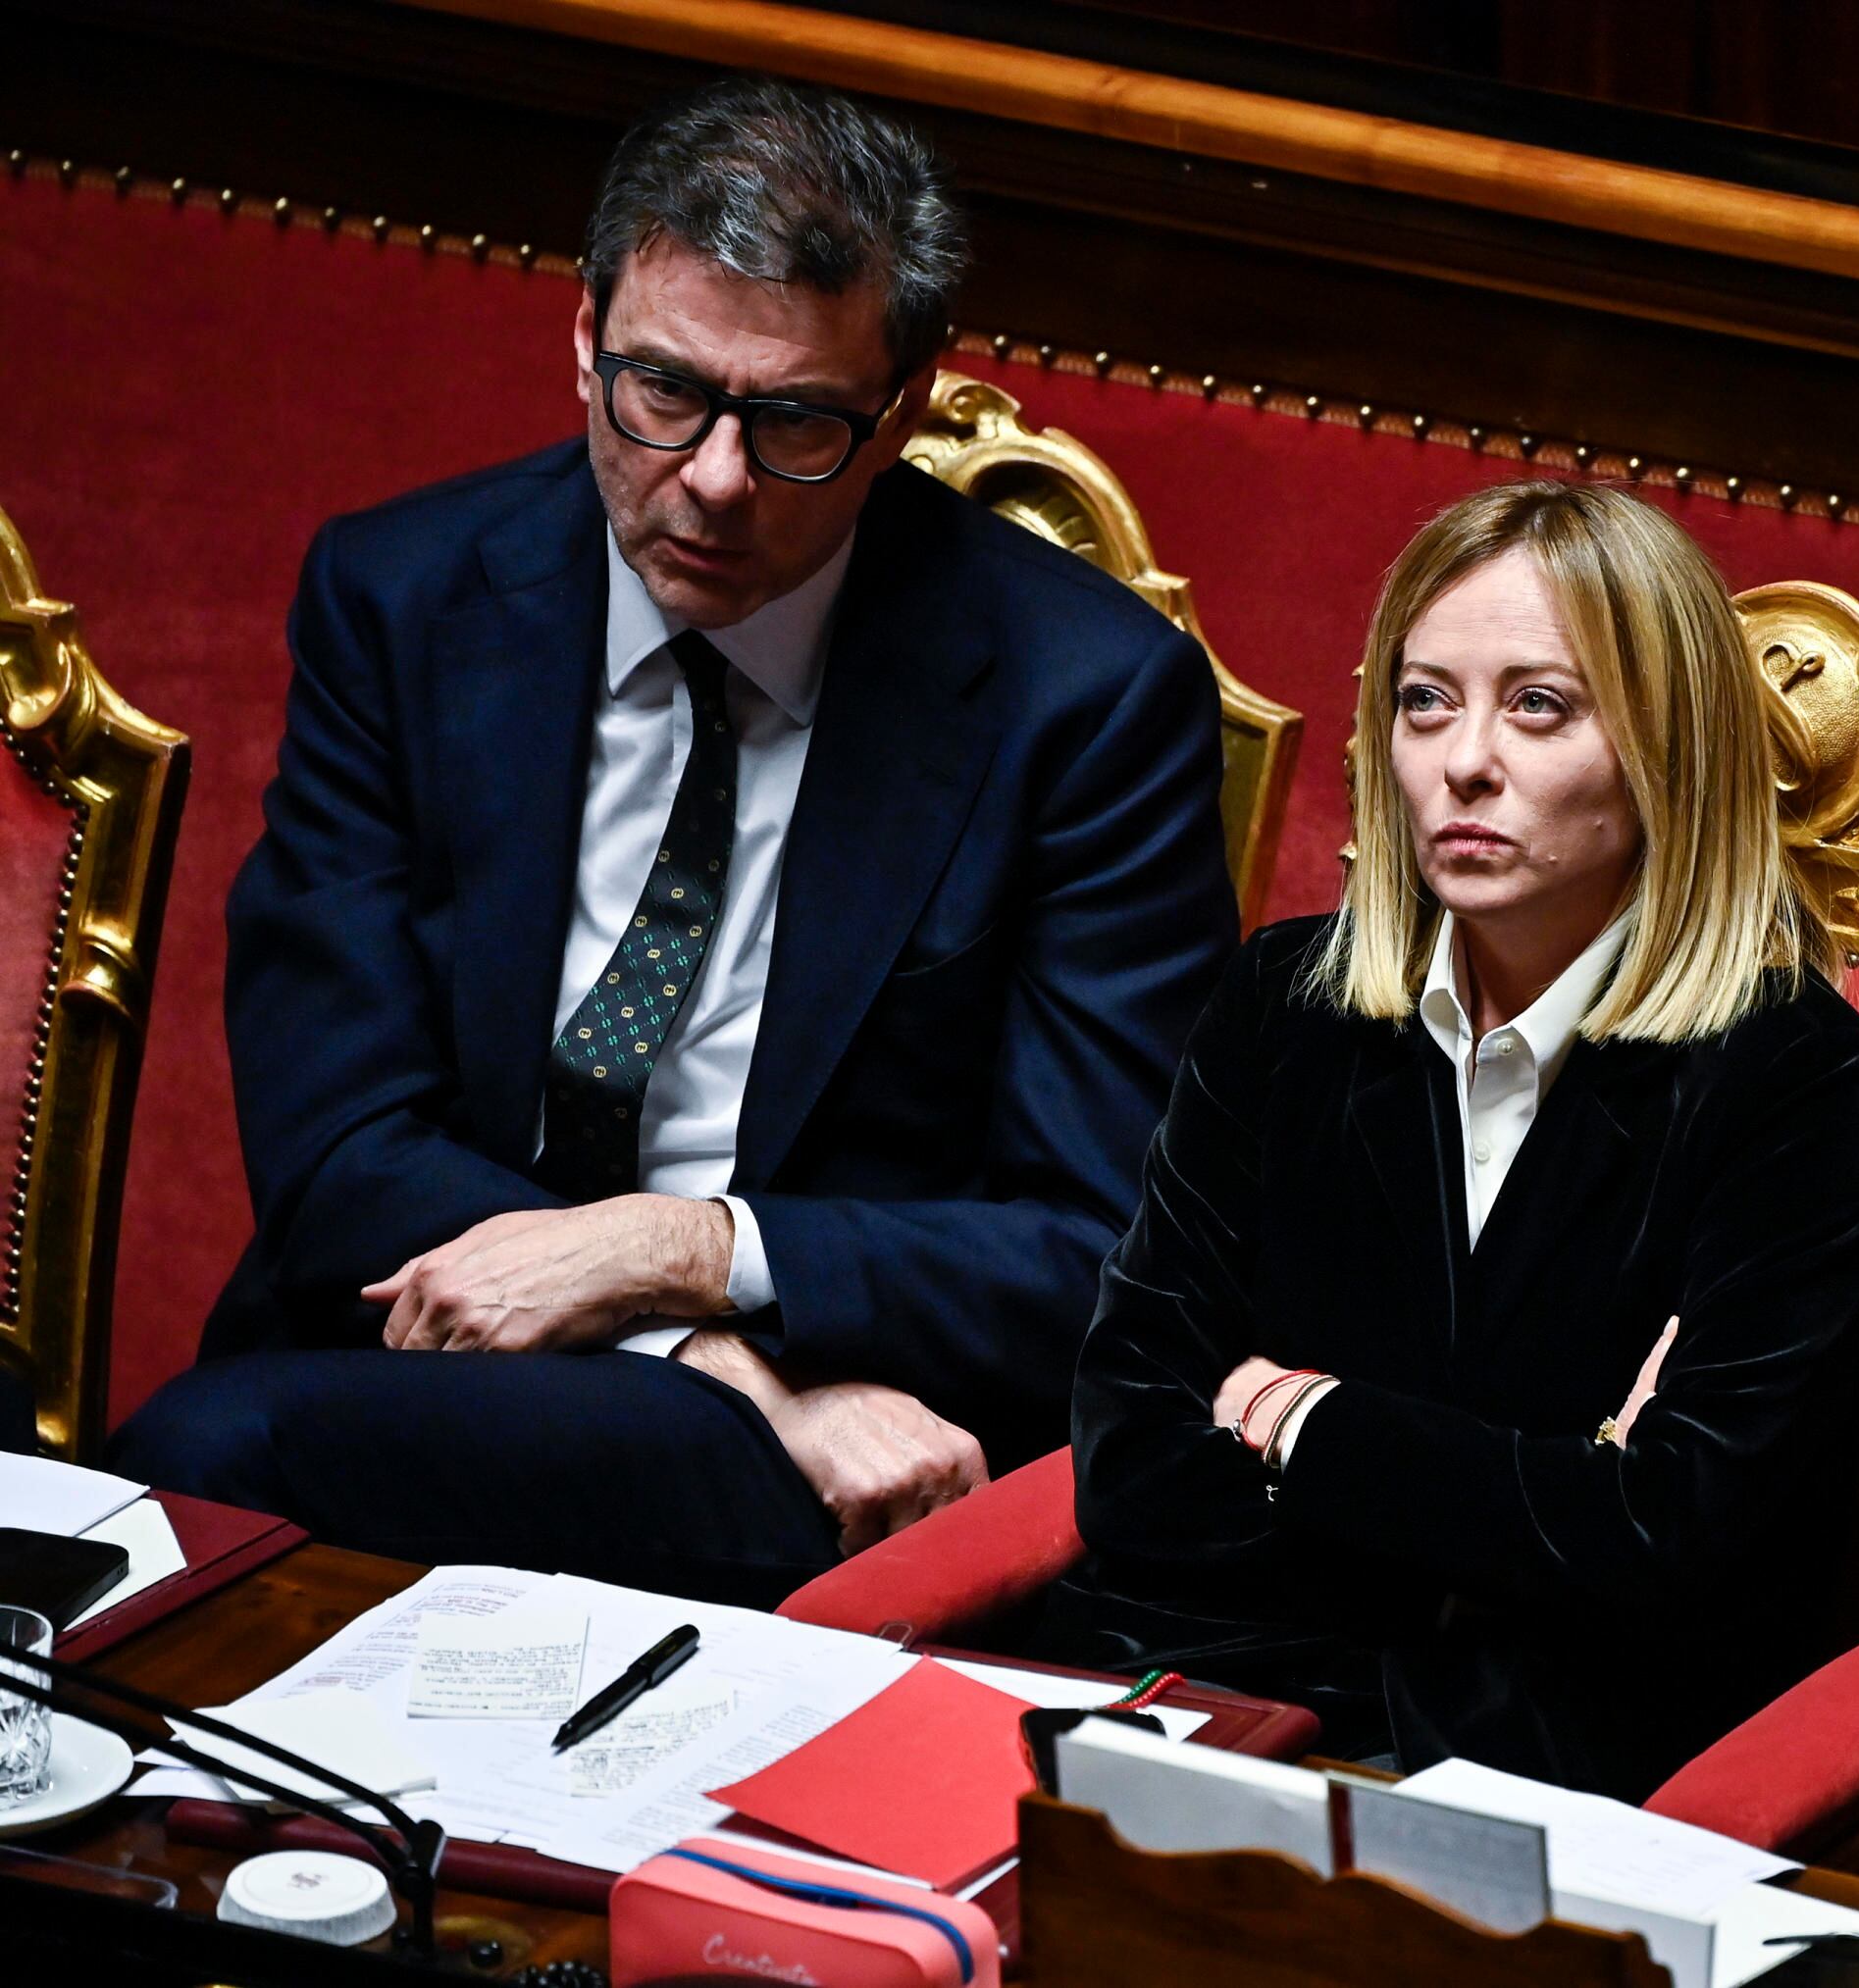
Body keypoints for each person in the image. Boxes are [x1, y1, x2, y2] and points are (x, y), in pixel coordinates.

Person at [109, 76, 1237, 1605]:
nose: (711, 478)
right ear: (582, 338)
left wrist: (700, 1248)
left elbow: (1098, 1247)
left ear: (901, 410)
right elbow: (337, 1151)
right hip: (491, 1363)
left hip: (863, 1450)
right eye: (663, 393)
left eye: (794, 424)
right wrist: (697, 1344)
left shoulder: (1081, 699)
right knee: (174, 1493)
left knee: (202, 1461)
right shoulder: (407, 600)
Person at [1024, 480, 1859, 1799]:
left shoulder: (1792, 1076)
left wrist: (1288, 1411)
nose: (1461, 760)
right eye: (1426, 700)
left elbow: (1667, 1538)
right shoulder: (1283, 1005)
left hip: (1549, 1766)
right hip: (1201, 1692)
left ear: (1668, 745)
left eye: (1537, 705)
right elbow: (1135, 1462)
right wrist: (1534, 1496)